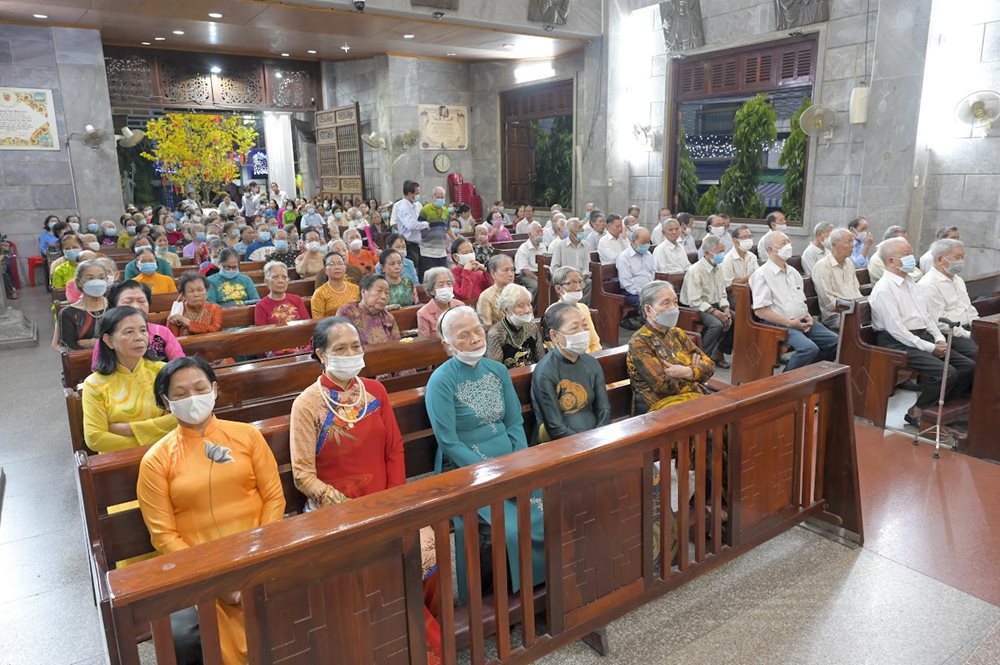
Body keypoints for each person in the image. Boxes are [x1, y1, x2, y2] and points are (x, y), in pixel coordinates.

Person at [287, 317, 445, 662]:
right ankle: (415, 644)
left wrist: (394, 500)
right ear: (321, 354)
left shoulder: (375, 391)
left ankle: (426, 628)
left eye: (355, 346)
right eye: (340, 349)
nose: (350, 354)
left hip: (386, 501)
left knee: (429, 550)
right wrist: (345, 506)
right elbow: (302, 476)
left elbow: (394, 449)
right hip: (337, 512)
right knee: (380, 569)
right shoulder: (307, 404)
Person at [137, 356, 284, 665]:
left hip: (262, 555)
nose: (192, 398)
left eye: (200, 388)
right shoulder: (156, 460)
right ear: (166, 402)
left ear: (214, 390)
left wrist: (259, 558)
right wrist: (217, 582)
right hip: (201, 570)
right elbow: (163, 536)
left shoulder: (247, 436)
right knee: (195, 637)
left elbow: (274, 499)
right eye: (180, 393)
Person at [424, 306, 544, 601]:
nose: (475, 338)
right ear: (447, 344)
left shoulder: (497, 370)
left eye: (477, 330)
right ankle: (501, 598)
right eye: (463, 335)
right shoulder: (441, 381)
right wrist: (491, 472)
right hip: (465, 466)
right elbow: (448, 441)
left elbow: (514, 422)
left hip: (511, 459)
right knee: (509, 527)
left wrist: (519, 461)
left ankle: (543, 587)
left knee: (546, 507)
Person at [870, 237, 976, 427]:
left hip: (920, 335)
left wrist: (938, 338)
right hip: (896, 341)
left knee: (968, 365)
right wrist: (930, 347)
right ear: (891, 261)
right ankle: (916, 411)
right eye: (906, 254)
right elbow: (897, 330)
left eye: (911, 253)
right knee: (946, 372)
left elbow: (926, 316)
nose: (912, 257)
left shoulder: (910, 282)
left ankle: (941, 409)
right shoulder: (884, 289)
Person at [82, 306, 178, 453]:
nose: (139, 337)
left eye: (143, 330)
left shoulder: (164, 371)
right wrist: (152, 440)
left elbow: (180, 418)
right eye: (129, 332)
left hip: (166, 454)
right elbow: (95, 439)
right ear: (109, 341)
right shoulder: (94, 384)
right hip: (121, 460)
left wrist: (127, 429)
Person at [749, 231, 838, 372]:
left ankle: (806, 373)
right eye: (783, 243)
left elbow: (800, 301)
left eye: (789, 241)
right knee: (808, 349)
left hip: (801, 320)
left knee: (836, 342)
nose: (788, 245)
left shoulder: (793, 272)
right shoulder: (761, 275)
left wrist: (808, 317)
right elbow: (760, 311)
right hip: (778, 324)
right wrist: (790, 323)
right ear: (771, 249)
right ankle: (785, 381)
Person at [627, 281, 715, 412]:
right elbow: (662, 384)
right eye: (666, 303)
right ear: (648, 310)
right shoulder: (639, 342)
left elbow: (710, 366)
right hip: (659, 406)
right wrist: (695, 371)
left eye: (675, 302)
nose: (673, 308)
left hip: (691, 397)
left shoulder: (677, 333)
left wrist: (686, 371)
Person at [531, 302, 610, 441]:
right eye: (574, 328)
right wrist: (584, 443)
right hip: (562, 442)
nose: (582, 332)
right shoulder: (545, 372)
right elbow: (555, 426)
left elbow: (604, 409)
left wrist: (599, 436)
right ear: (554, 336)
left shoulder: (591, 363)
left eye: (584, 326)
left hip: (596, 436)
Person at [918, 238, 979, 361]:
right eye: (957, 257)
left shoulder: (958, 280)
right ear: (940, 259)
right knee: (983, 353)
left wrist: (979, 327)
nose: (961, 261)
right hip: (951, 333)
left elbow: (968, 307)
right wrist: (969, 335)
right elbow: (940, 322)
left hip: (969, 329)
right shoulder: (929, 284)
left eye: (963, 257)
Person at [680, 235, 733, 367]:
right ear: (707, 253)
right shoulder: (695, 270)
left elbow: (722, 294)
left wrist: (725, 309)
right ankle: (702, 358)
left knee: (735, 318)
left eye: (723, 251)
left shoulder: (718, 267)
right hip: (696, 308)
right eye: (719, 252)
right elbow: (695, 301)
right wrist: (716, 312)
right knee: (716, 325)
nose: (722, 255)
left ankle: (719, 352)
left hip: (713, 304)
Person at [811, 228, 862, 330]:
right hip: (835, 315)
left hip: (854, 310)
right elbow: (828, 302)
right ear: (834, 244)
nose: (852, 245)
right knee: (857, 325)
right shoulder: (823, 266)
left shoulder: (849, 263)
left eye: (852, 241)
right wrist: (853, 308)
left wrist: (862, 306)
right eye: (848, 242)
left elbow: (856, 291)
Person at [486, 283, 545, 368]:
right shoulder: (496, 333)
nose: (527, 310)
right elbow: (496, 369)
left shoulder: (532, 328)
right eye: (520, 306)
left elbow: (542, 360)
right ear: (507, 309)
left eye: (529, 304)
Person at [335, 274, 400, 345]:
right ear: (363, 292)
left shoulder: (388, 318)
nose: (384, 297)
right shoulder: (347, 312)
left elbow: (397, 345)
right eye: (379, 291)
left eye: (386, 293)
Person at [59, 260, 108, 350]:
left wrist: (93, 343)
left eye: (101, 278)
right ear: (79, 282)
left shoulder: (114, 305)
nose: (97, 282)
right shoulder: (69, 313)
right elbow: (71, 348)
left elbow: (122, 339)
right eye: (90, 278)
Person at [551, 266, 602, 353]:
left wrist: (596, 357)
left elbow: (594, 342)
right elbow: (556, 348)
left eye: (580, 282)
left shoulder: (583, 308)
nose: (578, 288)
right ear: (558, 288)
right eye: (572, 283)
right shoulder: (553, 313)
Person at [167, 272, 223, 337]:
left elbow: (215, 329)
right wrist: (170, 321)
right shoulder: (178, 311)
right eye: (191, 291)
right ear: (183, 295)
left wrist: (188, 323)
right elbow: (172, 338)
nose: (196, 295)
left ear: (206, 291)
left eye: (200, 290)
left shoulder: (215, 309)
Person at [550, 218, 592, 304]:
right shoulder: (560, 246)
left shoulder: (586, 245)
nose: (583, 230)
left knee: (589, 282)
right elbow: (554, 267)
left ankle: (583, 307)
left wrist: (582, 277)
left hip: (581, 278)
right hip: (566, 279)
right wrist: (565, 278)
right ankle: (568, 306)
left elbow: (587, 266)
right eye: (579, 227)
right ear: (572, 232)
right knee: (569, 284)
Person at [255, 261, 309, 326]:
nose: (281, 281)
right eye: (275, 277)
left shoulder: (297, 299)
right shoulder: (261, 306)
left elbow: (307, 325)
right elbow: (262, 331)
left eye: (284, 277)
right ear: (266, 281)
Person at [311, 251, 360, 319]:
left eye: (340, 263)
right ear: (325, 270)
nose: (337, 267)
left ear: (345, 267)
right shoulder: (320, 293)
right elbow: (318, 320)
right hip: (331, 325)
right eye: (331, 264)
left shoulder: (355, 289)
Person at [417, 267, 463, 337]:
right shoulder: (423, 313)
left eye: (449, 284)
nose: (446, 288)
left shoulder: (460, 306)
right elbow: (424, 341)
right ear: (431, 290)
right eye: (441, 285)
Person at [616, 227, 655, 308]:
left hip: (648, 291)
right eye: (643, 243)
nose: (646, 245)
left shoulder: (648, 255)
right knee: (651, 304)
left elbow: (652, 273)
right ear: (634, 241)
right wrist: (643, 293)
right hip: (631, 293)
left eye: (648, 242)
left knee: (664, 299)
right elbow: (626, 283)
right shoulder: (624, 257)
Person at [393, 180, 426, 272]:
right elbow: (411, 225)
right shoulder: (403, 207)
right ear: (410, 194)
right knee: (412, 269)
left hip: (418, 243)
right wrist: (426, 224)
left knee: (420, 269)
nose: (418, 195)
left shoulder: (416, 205)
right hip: (408, 243)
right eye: (417, 193)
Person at [417, 186, 451, 276]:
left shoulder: (446, 211)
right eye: (438, 197)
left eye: (442, 197)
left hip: (442, 251)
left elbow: (448, 228)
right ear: (433, 197)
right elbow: (418, 227)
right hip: (427, 251)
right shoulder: (425, 210)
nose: (440, 199)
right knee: (430, 277)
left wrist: (456, 239)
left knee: (443, 275)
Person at [476, 253, 516, 326]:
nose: (511, 274)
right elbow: (487, 325)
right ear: (493, 273)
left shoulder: (519, 291)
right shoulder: (486, 296)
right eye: (506, 270)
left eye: (512, 270)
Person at [450, 238, 493, 303]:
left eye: (471, 251)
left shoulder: (478, 271)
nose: (470, 255)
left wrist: (485, 271)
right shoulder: (451, 275)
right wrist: (466, 272)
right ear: (456, 257)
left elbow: (492, 288)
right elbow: (464, 296)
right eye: (465, 253)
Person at [720, 225, 759, 289]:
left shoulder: (752, 256)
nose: (748, 240)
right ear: (735, 241)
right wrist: (750, 277)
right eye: (744, 237)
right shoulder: (727, 260)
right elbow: (729, 285)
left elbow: (758, 277)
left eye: (750, 237)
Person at [514, 222, 545, 297]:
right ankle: (529, 301)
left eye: (541, 231)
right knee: (536, 285)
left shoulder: (543, 246)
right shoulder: (524, 248)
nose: (540, 234)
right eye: (537, 232)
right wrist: (538, 279)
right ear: (530, 234)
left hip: (540, 274)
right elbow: (524, 270)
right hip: (525, 275)